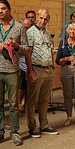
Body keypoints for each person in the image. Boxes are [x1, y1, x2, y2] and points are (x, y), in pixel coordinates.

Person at [0, 0, 29, 146]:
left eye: (3, 8)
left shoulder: (19, 27)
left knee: (13, 104)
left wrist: (16, 46)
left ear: (9, 9)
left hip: (12, 70)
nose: (1, 11)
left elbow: (26, 49)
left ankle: (15, 132)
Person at [25, 8, 58, 138]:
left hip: (48, 69)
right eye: (41, 18)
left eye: (45, 19)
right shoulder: (30, 33)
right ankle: (32, 127)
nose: (43, 21)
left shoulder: (47, 33)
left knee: (44, 100)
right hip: (36, 69)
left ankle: (44, 126)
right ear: (37, 17)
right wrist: (30, 71)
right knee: (32, 101)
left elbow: (50, 50)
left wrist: (53, 65)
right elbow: (28, 53)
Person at [18, 18, 32, 113]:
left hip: (30, 64)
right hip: (20, 65)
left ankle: (27, 104)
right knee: (21, 86)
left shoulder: (30, 36)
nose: (27, 30)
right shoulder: (17, 36)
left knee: (29, 86)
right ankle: (19, 104)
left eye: (29, 27)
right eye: (25, 28)